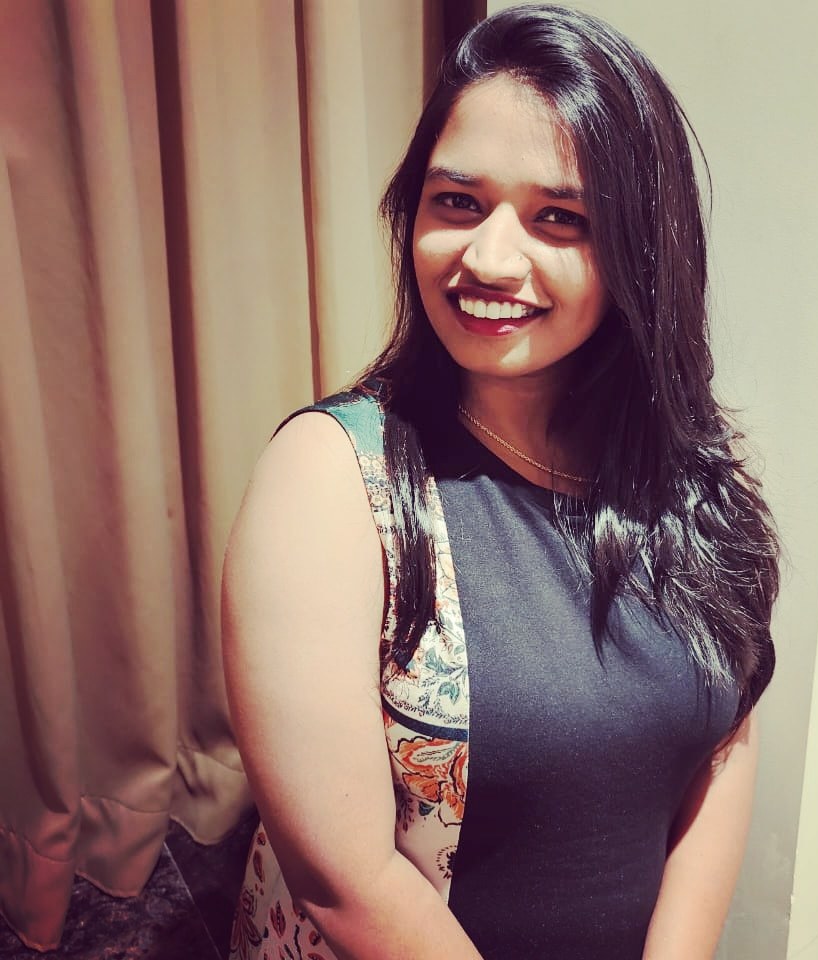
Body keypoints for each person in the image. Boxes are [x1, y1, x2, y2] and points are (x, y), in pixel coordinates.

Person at [222, 5, 779, 959]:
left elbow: (727, 729)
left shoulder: (691, 475)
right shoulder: (332, 481)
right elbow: (345, 880)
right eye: (458, 202)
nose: (487, 258)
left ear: (641, 249)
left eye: (559, 217)